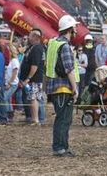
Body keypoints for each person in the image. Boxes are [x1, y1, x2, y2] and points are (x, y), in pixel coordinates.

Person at [45, 15, 80, 157]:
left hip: (54, 87)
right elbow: (69, 69)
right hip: (63, 88)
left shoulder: (53, 43)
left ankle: (61, 147)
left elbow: (47, 66)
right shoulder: (64, 46)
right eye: (75, 28)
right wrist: (75, 88)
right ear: (70, 29)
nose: (76, 31)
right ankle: (60, 148)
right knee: (64, 119)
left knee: (61, 118)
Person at [19, 28, 46, 125]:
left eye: (30, 35)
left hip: (34, 79)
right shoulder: (31, 47)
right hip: (32, 79)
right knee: (33, 98)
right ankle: (35, 118)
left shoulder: (37, 48)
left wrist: (28, 78)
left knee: (34, 98)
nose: (28, 37)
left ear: (35, 37)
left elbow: (35, 65)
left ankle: (36, 119)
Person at [0, 44, 20, 124]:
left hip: (12, 83)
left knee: (4, 98)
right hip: (8, 82)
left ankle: (6, 115)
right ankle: (10, 115)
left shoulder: (14, 61)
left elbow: (15, 73)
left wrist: (10, 83)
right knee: (7, 99)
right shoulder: (11, 61)